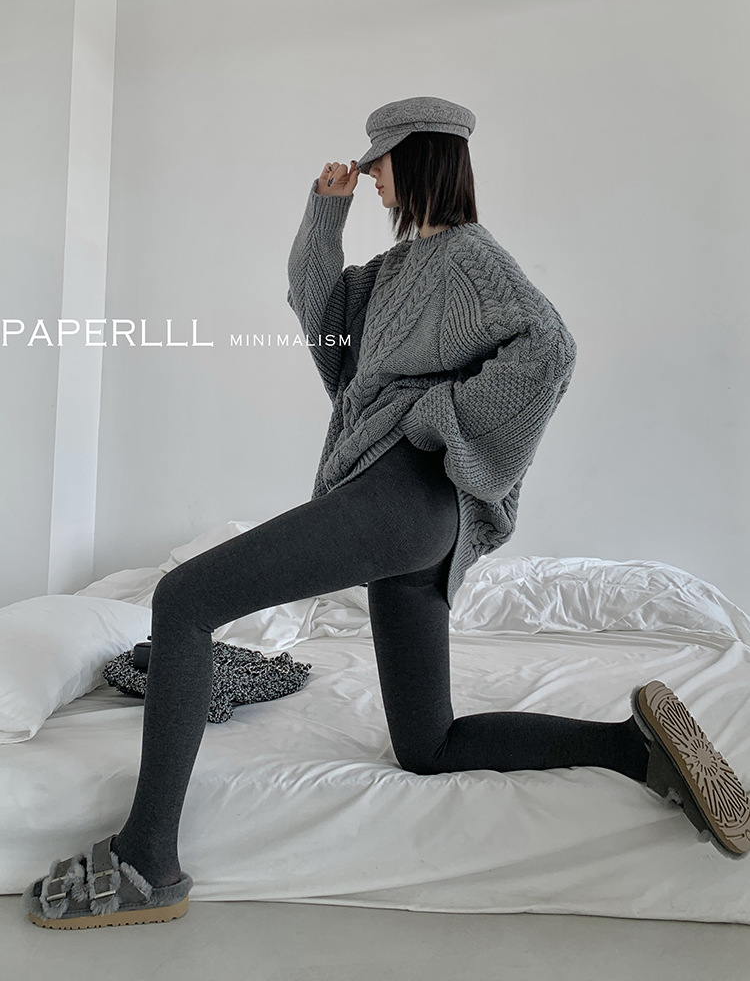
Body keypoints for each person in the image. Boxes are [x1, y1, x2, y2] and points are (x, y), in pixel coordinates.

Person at [23, 96, 750, 930]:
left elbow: (551, 349)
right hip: (411, 518)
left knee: (183, 600)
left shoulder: (470, 257)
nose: (371, 175)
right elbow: (320, 316)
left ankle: (147, 859)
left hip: (405, 497)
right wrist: (323, 213)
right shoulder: (402, 267)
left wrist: (438, 419)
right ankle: (635, 748)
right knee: (428, 745)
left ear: (423, 157)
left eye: (380, 161)